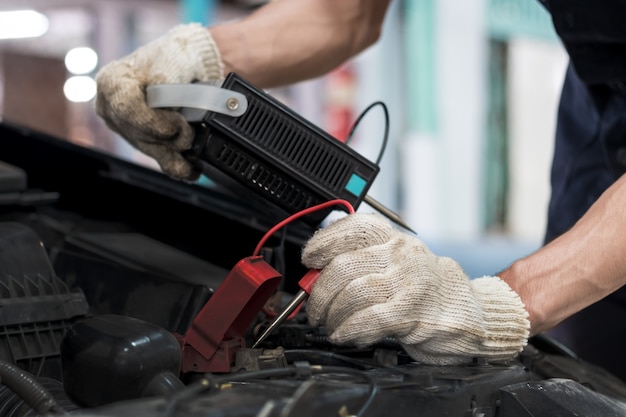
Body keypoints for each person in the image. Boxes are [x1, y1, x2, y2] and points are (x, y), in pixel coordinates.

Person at [95, 0, 626, 378]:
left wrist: (508, 300)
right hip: (598, 94)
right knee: (594, 353)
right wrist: (206, 55)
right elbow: (340, 12)